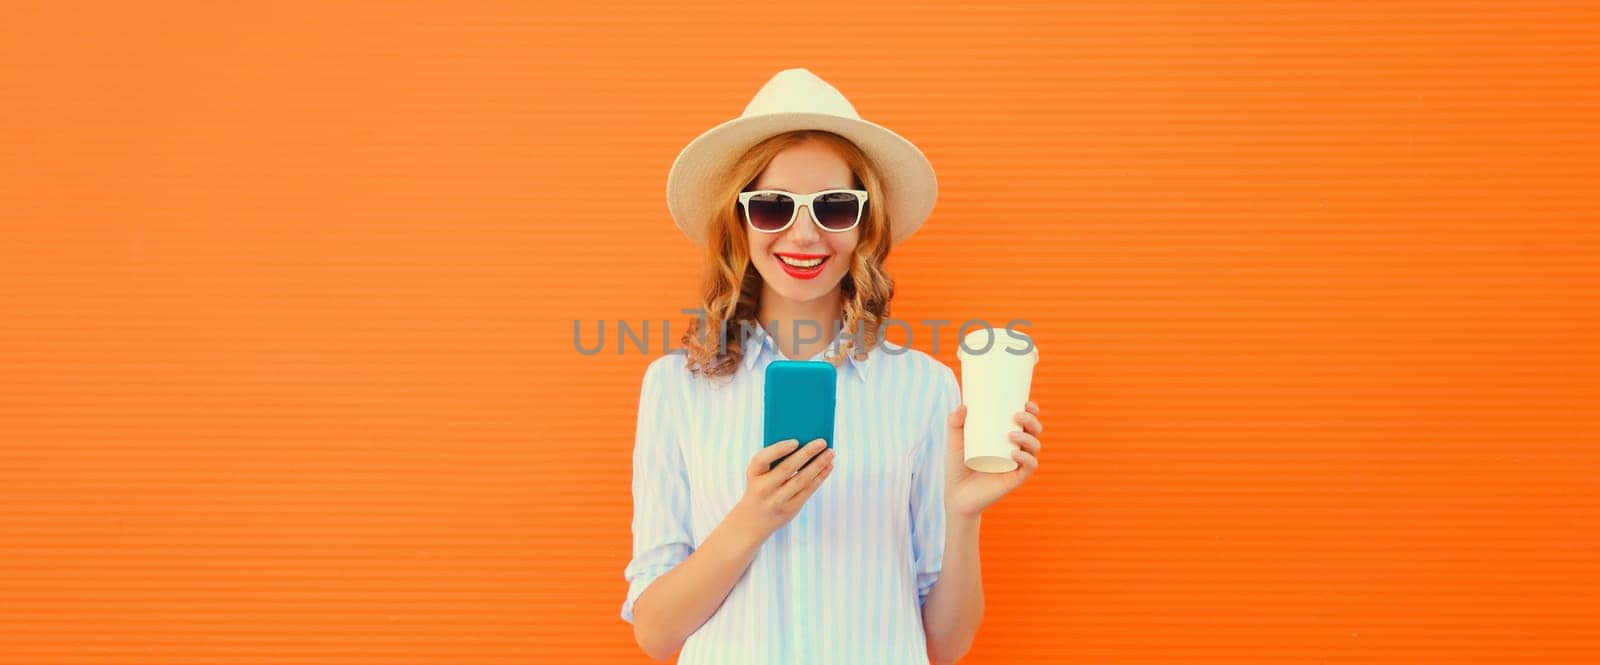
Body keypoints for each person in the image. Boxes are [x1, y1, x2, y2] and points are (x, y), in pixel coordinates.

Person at [621, 68, 1046, 664]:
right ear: (739, 224)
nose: (804, 235)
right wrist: (753, 519)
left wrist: (964, 513)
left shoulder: (925, 387)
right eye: (772, 207)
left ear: (863, 225)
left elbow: (945, 647)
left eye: (834, 207)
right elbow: (655, 633)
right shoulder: (675, 387)